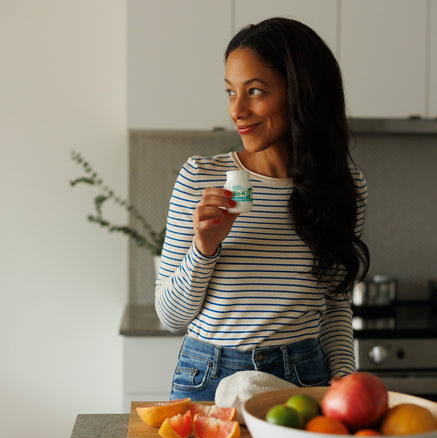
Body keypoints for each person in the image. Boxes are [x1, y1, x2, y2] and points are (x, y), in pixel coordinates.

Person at [155, 17, 370, 401]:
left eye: (254, 91)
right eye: (229, 92)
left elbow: (336, 307)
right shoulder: (200, 177)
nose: (237, 109)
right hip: (208, 375)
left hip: (304, 374)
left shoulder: (343, 187)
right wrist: (204, 247)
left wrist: (343, 378)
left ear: (301, 93)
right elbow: (170, 318)